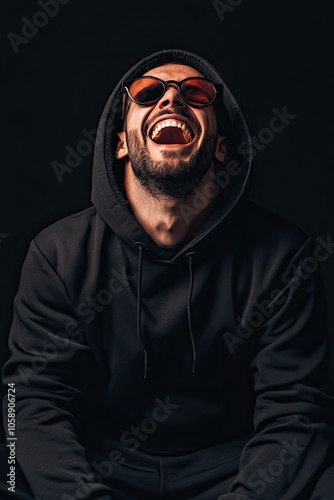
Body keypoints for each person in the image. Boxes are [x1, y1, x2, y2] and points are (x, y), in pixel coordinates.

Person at [1, 48, 334, 500]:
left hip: (234, 469)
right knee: (9, 463)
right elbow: (30, 402)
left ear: (220, 144)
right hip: (98, 470)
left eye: (195, 93)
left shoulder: (282, 255)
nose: (171, 100)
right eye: (148, 92)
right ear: (120, 141)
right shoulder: (57, 255)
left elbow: (297, 409)